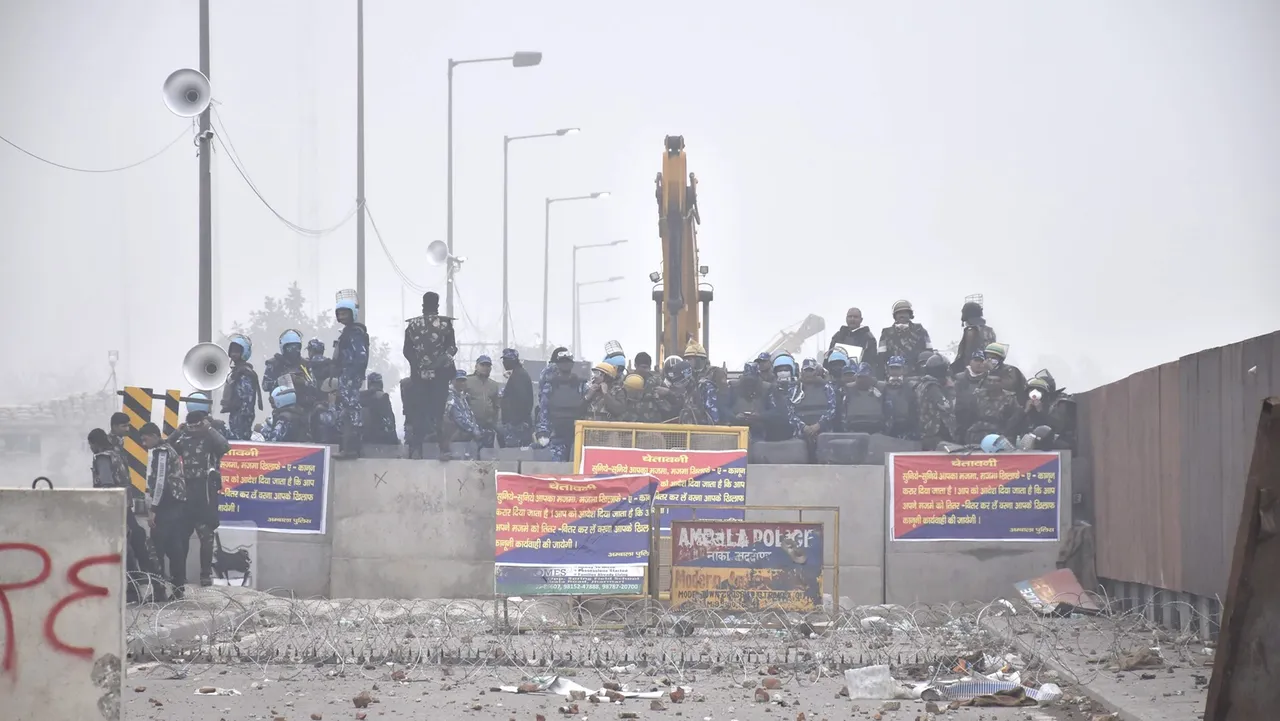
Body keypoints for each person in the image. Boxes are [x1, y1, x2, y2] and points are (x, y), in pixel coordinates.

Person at [89, 427, 159, 602]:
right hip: (125, 506)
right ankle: (149, 585)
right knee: (134, 545)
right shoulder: (117, 454)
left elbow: (106, 484)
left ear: (95, 443)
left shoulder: (103, 457)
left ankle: (131, 590)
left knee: (122, 549)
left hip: (113, 509)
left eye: (90, 445)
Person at [169, 409, 230, 587]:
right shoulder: (184, 439)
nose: (195, 430)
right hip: (186, 492)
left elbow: (225, 446)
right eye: (193, 426)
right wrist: (178, 431)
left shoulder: (211, 439)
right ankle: (180, 576)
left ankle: (205, 575)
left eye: (198, 425)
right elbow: (166, 446)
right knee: (181, 536)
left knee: (206, 536)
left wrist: (209, 429)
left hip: (205, 493)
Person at [403, 291, 457, 458]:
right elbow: (452, 349)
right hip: (440, 378)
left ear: (423, 305)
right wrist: (439, 363)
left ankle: (417, 450)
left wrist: (418, 366)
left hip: (419, 377)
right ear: (437, 305)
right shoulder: (445, 325)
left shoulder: (412, 325)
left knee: (418, 413)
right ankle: (444, 450)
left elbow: (407, 351)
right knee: (440, 413)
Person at [139, 422, 189, 600]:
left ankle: (159, 589)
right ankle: (178, 588)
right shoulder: (169, 448)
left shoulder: (162, 453)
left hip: (166, 506)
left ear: (154, 435)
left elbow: (160, 482)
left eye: (145, 439)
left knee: (156, 549)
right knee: (175, 548)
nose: (145, 444)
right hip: (175, 505)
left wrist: (153, 509)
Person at [333, 293, 370, 459]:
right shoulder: (347, 332)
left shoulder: (355, 332)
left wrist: (353, 374)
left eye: (345, 313)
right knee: (346, 411)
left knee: (352, 410)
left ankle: (353, 448)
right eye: (339, 313)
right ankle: (348, 447)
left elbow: (361, 356)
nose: (342, 316)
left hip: (350, 376)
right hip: (345, 375)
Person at [536, 349, 587, 461]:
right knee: (557, 468)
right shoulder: (550, 384)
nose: (565, 364)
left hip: (577, 433)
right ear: (557, 364)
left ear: (572, 364)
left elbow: (587, 407)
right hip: (556, 433)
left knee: (577, 467)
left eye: (567, 361)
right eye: (562, 362)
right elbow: (544, 409)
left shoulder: (581, 385)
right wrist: (543, 431)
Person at [441, 369, 496, 459]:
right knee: (483, 437)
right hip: (454, 433)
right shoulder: (451, 396)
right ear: (453, 381)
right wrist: (473, 429)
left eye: (463, 380)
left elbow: (469, 414)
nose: (462, 383)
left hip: (464, 431)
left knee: (489, 434)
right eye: (459, 380)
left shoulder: (461, 396)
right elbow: (459, 419)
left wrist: (475, 427)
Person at [220, 334, 261, 440]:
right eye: (232, 351)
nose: (233, 354)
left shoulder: (245, 373)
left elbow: (247, 399)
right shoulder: (236, 372)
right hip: (235, 414)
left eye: (237, 351)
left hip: (242, 416)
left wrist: (243, 416)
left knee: (240, 440)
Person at [914, 353, 956, 450]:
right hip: (935, 434)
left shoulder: (922, 384)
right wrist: (950, 389)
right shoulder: (932, 386)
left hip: (925, 431)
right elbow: (947, 407)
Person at [878, 300, 932, 375]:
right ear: (895, 315)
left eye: (905, 312)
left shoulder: (920, 330)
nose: (902, 315)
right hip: (893, 375)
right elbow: (881, 357)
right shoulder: (886, 333)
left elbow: (929, 353)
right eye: (899, 313)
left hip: (917, 374)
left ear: (910, 314)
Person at [965, 376, 1023, 445]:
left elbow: (1015, 420)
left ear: (1001, 383)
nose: (992, 383)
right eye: (989, 380)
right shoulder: (978, 395)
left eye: (996, 381)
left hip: (1000, 435)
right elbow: (969, 416)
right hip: (977, 434)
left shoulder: (1010, 398)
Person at [761, 353, 805, 441]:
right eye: (780, 370)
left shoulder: (799, 388)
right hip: (775, 432)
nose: (783, 373)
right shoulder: (770, 389)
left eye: (786, 369)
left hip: (796, 433)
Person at [498, 348, 534, 448]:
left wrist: (514, 423)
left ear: (512, 360)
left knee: (514, 454)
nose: (504, 362)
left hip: (517, 427)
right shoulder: (517, 374)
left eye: (505, 360)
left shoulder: (519, 376)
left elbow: (522, 402)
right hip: (517, 424)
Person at [951, 301, 998, 375]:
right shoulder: (990, 330)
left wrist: (952, 370)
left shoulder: (971, 330)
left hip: (973, 371)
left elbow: (966, 355)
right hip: (989, 369)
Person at [840, 362, 889, 434]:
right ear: (856, 377)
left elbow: (888, 411)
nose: (862, 380)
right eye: (860, 377)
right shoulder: (848, 389)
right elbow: (843, 413)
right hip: (854, 430)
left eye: (865, 377)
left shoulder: (880, 389)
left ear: (870, 377)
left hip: (876, 430)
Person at [795, 358, 838, 438]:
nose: (808, 373)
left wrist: (819, 425)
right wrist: (803, 427)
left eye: (811, 370)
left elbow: (832, 409)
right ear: (802, 371)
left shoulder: (827, 388)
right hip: (800, 433)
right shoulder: (794, 389)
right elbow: (789, 412)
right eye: (806, 370)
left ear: (816, 372)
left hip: (823, 432)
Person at [681, 342, 720, 425]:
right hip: (691, 422)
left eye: (690, 359)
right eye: (686, 359)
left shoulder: (714, 373)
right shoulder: (688, 376)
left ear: (699, 360)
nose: (687, 362)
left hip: (707, 423)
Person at [828, 307, 877, 371]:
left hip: (859, 375)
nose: (852, 319)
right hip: (837, 374)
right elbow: (829, 356)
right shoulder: (838, 336)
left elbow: (872, 361)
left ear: (861, 319)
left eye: (855, 317)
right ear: (846, 318)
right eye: (850, 316)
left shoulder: (868, 338)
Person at [881, 356, 918, 438]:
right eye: (892, 368)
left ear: (903, 369)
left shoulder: (911, 385)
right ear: (888, 369)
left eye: (898, 368)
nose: (895, 371)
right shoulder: (882, 386)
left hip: (907, 427)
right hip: (889, 428)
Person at [464, 355, 502, 436]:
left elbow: (496, 406)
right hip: (470, 426)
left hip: (488, 426)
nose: (485, 367)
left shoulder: (494, 385)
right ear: (476, 366)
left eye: (488, 365)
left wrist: (494, 422)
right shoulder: (467, 381)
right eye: (482, 365)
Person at [263, 329, 307, 394]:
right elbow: (265, 386)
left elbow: (314, 385)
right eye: (290, 348)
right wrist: (284, 380)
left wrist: (303, 381)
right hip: (281, 402)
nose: (293, 350)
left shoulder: (304, 363)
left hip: (303, 402)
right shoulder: (273, 364)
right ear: (283, 347)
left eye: (296, 347)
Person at [360, 372, 399, 445]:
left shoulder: (361, 397)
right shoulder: (382, 397)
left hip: (365, 439)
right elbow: (389, 421)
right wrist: (395, 442)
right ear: (381, 384)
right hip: (382, 440)